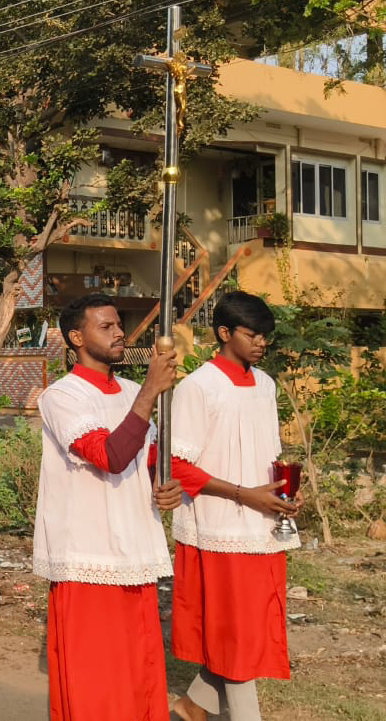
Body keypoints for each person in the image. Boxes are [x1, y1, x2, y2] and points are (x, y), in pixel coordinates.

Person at [33, 294, 181, 720]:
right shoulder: (61, 396)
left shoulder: (134, 392)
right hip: (87, 553)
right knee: (95, 678)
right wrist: (152, 390)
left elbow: (146, 462)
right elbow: (110, 457)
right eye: (106, 327)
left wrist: (164, 488)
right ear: (77, 337)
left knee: (139, 671)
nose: (119, 333)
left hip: (134, 546)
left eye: (119, 325)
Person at [169, 292, 298, 721]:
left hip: (263, 525)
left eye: (265, 336)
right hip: (218, 528)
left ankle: (192, 705)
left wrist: (282, 495)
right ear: (224, 333)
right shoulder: (197, 387)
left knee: (248, 630)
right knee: (238, 637)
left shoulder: (265, 384)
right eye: (251, 334)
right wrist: (246, 494)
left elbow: (269, 454)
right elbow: (176, 466)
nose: (261, 343)